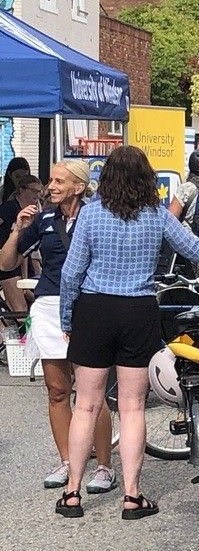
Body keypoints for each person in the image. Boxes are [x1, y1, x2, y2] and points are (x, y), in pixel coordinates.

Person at [56, 146, 199, 518]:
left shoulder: (90, 214)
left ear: (107, 178)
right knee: (132, 406)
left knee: (86, 404)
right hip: (138, 310)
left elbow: (71, 274)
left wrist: (67, 319)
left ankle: (72, 494)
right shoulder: (156, 216)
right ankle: (132, 496)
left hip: (94, 308)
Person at [0, 160, 116, 492]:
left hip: (87, 304)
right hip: (49, 306)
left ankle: (104, 466)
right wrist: (17, 230)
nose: (50, 186)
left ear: (79, 186)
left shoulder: (97, 217)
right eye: (50, 181)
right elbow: (6, 264)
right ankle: (67, 460)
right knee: (57, 390)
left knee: (91, 392)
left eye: (58, 181)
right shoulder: (44, 219)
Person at [0, 173, 43, 311]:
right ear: (22, 190)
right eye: (34, 190)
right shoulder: (9, 208)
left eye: (39, 191)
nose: (37, 195)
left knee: (22, 306)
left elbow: (26, 251)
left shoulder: (32, 213)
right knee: (20, 310)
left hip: (19, 261)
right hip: (6, 264)